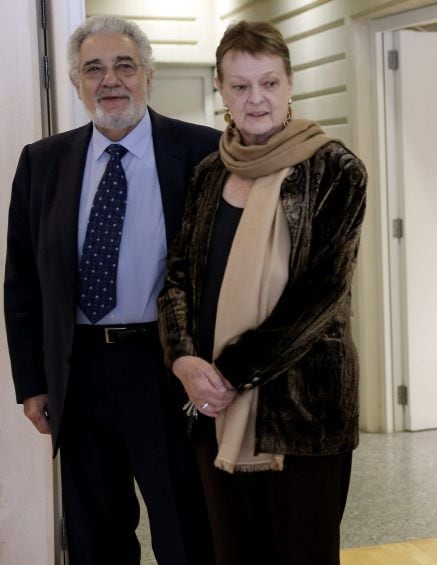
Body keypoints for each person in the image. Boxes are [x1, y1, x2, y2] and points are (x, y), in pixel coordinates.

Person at [4, 15, 220, 565]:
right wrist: (32, 381)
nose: (111, 80)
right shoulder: (42, 162)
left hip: (165, 368)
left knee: (185, 527)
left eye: (125, 65)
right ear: (76, 82)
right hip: (79, 375)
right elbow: (23, 280)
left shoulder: (203, 154)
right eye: (94, 69)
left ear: (148, 74)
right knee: (94, 532)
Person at [157, 20, 367, 565]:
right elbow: (178, 274)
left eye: (269, 83)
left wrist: (228, 371)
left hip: (304, 414)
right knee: (233, 553)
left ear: (290, 84)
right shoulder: (208, 173)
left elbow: (319, 297)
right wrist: (183, 359)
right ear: (221, 91)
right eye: (242, 85)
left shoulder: (336, 170)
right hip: (213, 410)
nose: (257, 99)